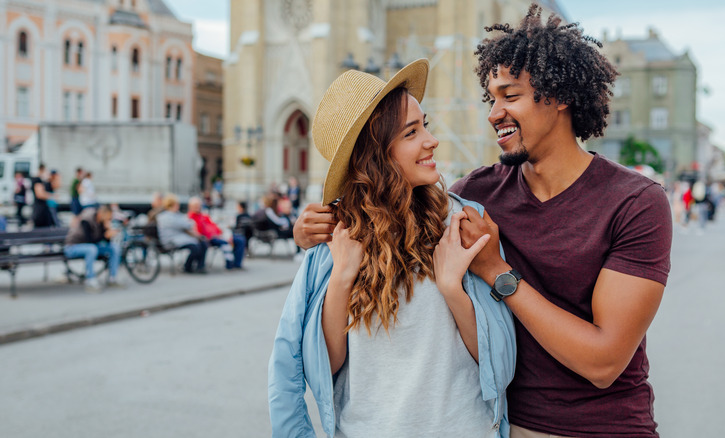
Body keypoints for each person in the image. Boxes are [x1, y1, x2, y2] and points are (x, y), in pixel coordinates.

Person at [294, 6, 673, 438]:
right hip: (503, 424)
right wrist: (311, 232)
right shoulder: (473, 196)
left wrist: (496, 271)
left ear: (561, 95)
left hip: (604, 428)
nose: (494, 113)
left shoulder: (636, 201)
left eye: (511, 97)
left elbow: (604, 363)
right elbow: (388, 206)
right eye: (491, 99)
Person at [269, 60, 516, 437]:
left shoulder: (464, 222)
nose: (430, 140)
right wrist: (342, 278)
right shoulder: (333, 240)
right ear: (376, 155)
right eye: (410, 133)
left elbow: (498, 363)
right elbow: (318, 367)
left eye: (425, 126)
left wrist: (452, 288)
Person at [64, 205, 123, 293]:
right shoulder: (87, 219)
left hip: (91, 246)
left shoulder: (103, 222)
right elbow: (89, 240)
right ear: (102, 214)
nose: (109, 219)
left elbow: (105, 241)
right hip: (73, 247)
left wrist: (108, 233)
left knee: (114, 248)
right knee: (92, 249)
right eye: (108, 217)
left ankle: (112, 278)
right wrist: (105, 235)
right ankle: (90, 280)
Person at [187, 196, 245, 270]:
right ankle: (229, 264)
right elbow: (197, 231)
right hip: (209, 238)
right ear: (190, 207)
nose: (198, 207)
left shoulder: (204, 216)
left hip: (218, 235)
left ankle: (237, 264)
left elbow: (213, 225)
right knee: (225, 243)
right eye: (195, 206)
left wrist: (221, 233)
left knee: (240, 239)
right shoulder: (190, 217)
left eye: (199, 205)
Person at [155, 194, 208, 274]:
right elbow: (186, 224)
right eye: (177, 204)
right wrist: (189, 224)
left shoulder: (176, 214)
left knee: (202, 243)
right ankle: (187, 267)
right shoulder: (165, 216)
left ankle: (200, 266)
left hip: (180, 238)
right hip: (172, 240)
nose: (178, 206)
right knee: (195, 247)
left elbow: (186, 223)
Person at [30, 164, 56, 228]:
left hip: (41, 207)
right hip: (40, 209)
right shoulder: (37, 180)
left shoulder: (41, 180)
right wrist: (51, 196)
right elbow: (40, 195)